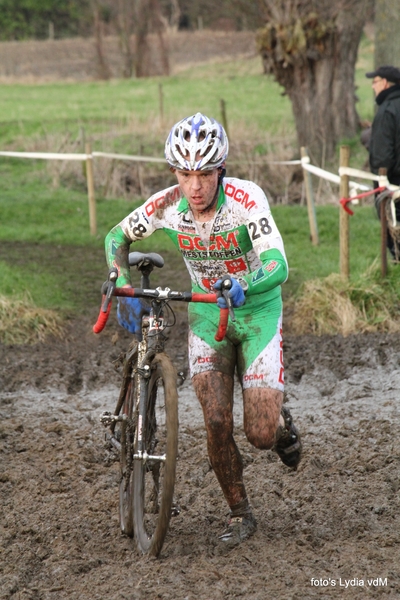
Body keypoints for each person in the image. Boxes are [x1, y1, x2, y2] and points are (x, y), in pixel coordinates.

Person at [104, 112, 302, 546]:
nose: (195, 186)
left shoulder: (247, 199)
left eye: (205, 174)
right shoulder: (166, 205)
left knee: (261, 435)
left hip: (257, 312)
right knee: (215, 421)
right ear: (175, 171)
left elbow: (278, 264)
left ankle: (282, 424)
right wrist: (117, 275)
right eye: (185, 173)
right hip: (208, 315)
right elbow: (116, 236)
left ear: (221, 171)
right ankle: (240, 513)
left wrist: (244, 283)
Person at [365, 65, 400, 258]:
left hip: (393, 187)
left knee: (395, 240)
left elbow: (383, 157)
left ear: (385, 83)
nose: (372, 87)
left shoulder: (387, 110)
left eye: (375, 81)